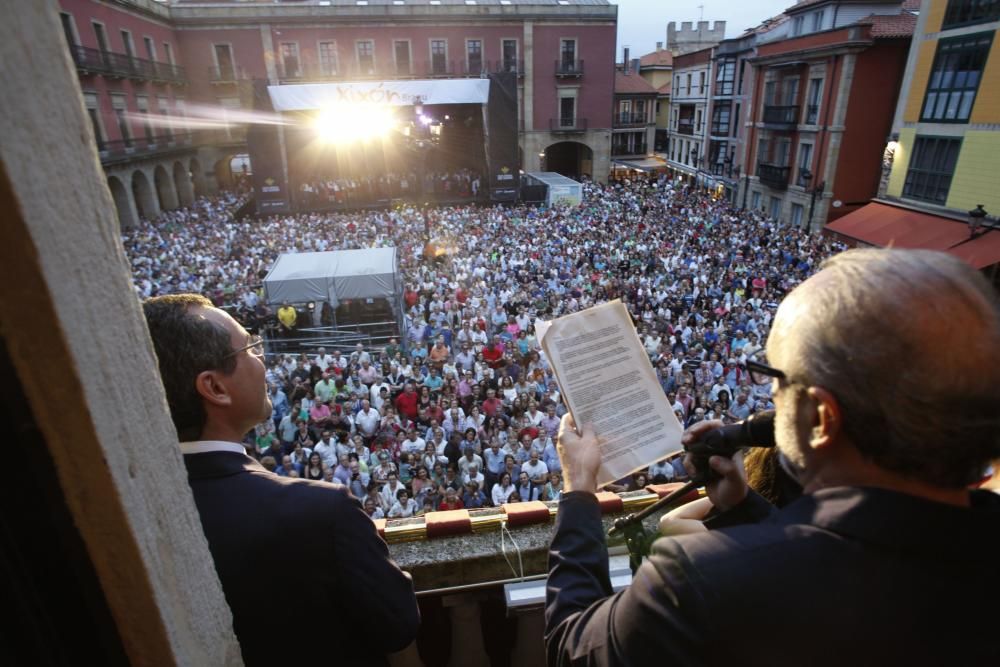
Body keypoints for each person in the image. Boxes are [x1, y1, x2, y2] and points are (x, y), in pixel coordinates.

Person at [545, 250, 1000, 666]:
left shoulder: (703, 580)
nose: (770, 395)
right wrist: (745, 507)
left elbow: (572, 647)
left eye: (775, 377)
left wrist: (579, 491)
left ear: (821, 418)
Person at [143, 294, 419, 665]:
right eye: (251, 348)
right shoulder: (323, 512)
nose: (263, 360)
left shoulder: (133, 511)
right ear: (215, 388)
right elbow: (398, 626)